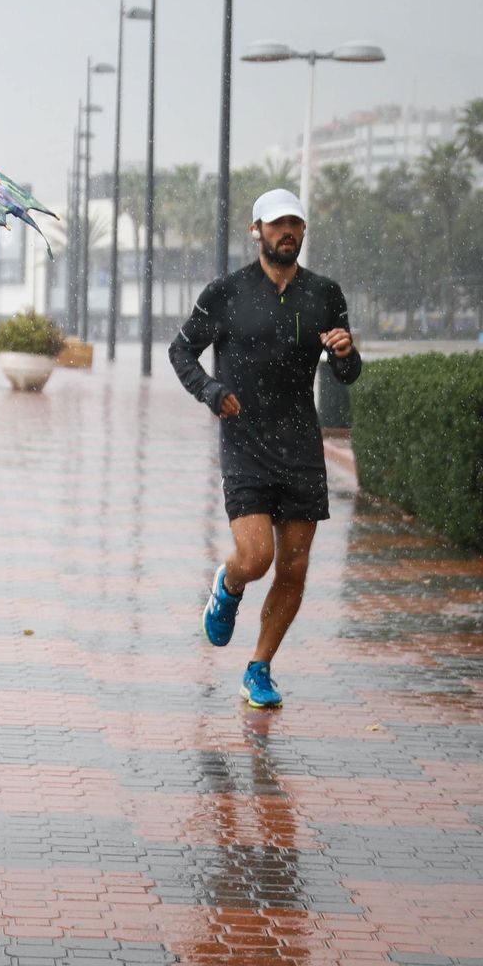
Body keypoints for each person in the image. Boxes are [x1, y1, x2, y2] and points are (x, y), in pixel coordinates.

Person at [169, 188, 362, 709]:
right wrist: (210, 392)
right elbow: (181, 350)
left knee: (294, 569)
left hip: (300, 443)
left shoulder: (324, 294)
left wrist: (347, 353)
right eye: (277, 224)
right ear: (256, 231)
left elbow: (347, 372)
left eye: (295, 223)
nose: (288, 232)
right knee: (256, 557)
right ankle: (229, 585)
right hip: (246, 440)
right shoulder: (227, 292)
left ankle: (260, 668)